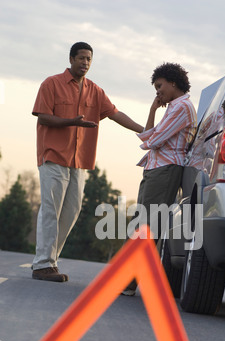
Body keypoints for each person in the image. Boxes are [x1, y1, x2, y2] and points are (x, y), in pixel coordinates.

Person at [31, 42, 143, 282]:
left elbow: (115, 113)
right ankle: (42, 264)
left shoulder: (95, 90)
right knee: (51, 210)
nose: (85, 63)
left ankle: (50, 262)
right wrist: (72, 122)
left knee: (71, 212)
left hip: (79, 160)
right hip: (53, 156)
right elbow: (43, 116)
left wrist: (145, 131)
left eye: (89, 59)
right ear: (71, 59)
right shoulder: (51, 83)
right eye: (81, 58)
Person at [122, 62, 197, 296]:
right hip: (155, 168)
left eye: (159, 86)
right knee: (141, 222)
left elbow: (152, 140)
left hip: (165, 170)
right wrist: (154, 109)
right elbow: (149, 134)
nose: (158, 91)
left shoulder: (182, 107)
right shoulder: (172, 108)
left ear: (173, 82)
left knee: (149, 224)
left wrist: (152, 136)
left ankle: (128, 281)